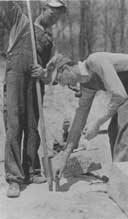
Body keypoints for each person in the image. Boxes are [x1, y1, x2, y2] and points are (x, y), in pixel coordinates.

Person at [31, 52, 128, 181]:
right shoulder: (86, 85)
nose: (62, 84)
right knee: (114, 128)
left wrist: (97, 123)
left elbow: (120, 95)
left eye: (59, 79)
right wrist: (65, 155)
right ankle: (121, 175)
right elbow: (79, 119)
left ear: (65, 68)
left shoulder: (95, 61)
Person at [0, 0, 67, 198]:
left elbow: (51, 76)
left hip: (35, 85)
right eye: (52, 13)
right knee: (14, 124)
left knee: (31, 127)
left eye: (58, 16)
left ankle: (31, 171)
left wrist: (44, 72)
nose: (54, 19)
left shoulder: (49, 41)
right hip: (15, 78)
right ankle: (14, 178)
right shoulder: (20, 20)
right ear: (43, 9)